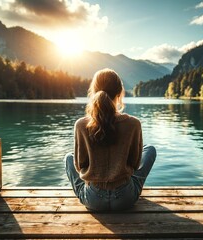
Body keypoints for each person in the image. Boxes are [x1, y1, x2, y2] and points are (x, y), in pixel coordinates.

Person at [65, 68, 157, 211]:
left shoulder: (81, 125)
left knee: (69, 158)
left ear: (93, 91)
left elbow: (79, 165)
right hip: (125, 199)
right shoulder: (133, 124)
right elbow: (135, 164)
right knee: (150, 150)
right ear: (120, 92)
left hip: (93, 200)